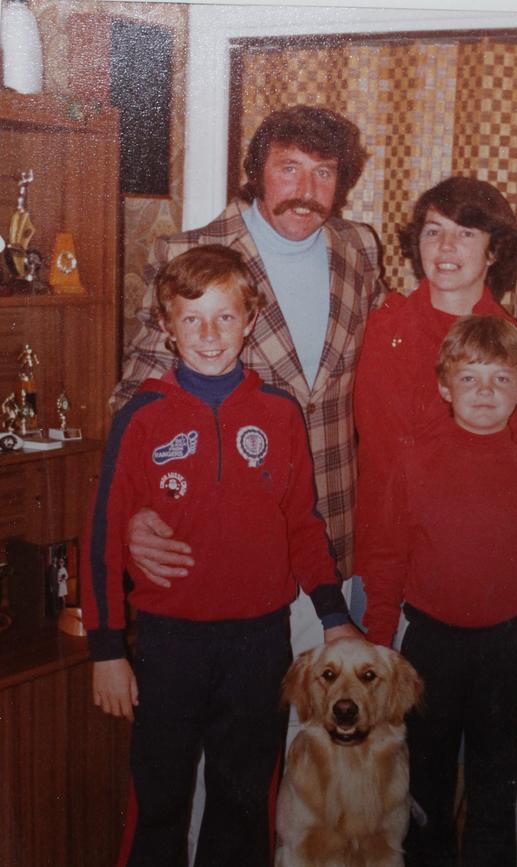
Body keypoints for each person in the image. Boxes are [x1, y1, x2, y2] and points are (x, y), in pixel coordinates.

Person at [82, 245, 357, 867]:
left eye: (225, 317)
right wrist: (106, 653)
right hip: (169, 643)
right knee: (158, 803)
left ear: (250, 317)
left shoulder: (281, 414)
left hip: (260, 644)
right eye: (191, 319)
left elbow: (303, 524)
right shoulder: (141, 419)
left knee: (243, 805)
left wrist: (334, 614)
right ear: (167, 324)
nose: (209, 334)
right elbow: (101, 536)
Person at [112, 106, 385, 655]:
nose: (306, 189)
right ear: (258, 171)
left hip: (332, 535)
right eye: (289, 168)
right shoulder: (185, 253)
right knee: (233, 730)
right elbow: (134, 402)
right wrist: (133, 514)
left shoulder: (359, 248)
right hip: (218, 549)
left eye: (324, 172)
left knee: (325, 727)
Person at [361, 315, 517, 867]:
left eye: (500, 380)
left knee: (494, 802)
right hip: (426, 651)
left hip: (504, 656)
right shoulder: (413, 465)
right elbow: (385, 567)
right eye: (470, 378)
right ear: (443, 386)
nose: (484, 392)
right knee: (420, 800)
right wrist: (379, 657)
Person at [354, 176, 517, 580]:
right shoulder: (377, 327)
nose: (446, 247)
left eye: (465, 233)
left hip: (466, 559)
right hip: (379, 553)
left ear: (494, 250)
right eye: (433, 231)